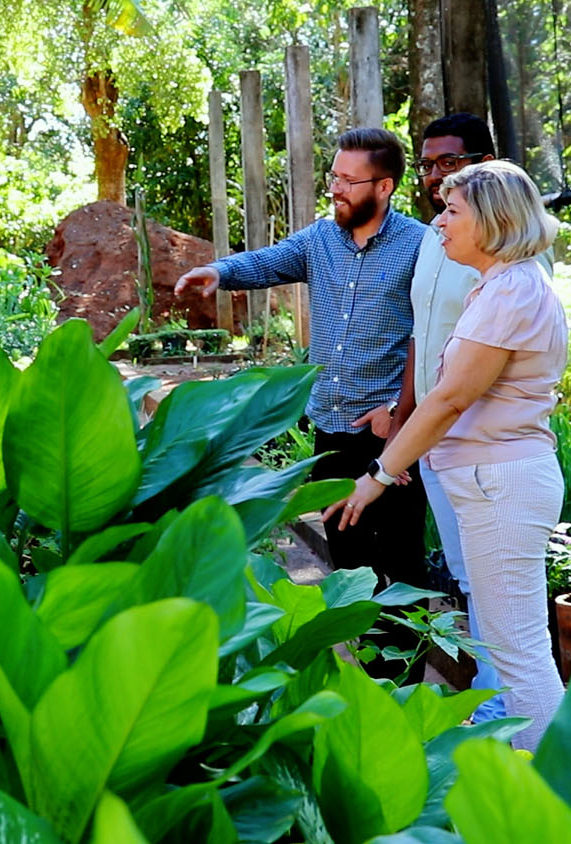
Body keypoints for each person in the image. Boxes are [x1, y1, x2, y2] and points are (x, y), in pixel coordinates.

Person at [322, 160, 568, 751]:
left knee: (519, 653)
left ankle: (555, 791)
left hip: (501, 482)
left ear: (491, 220)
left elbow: (449, 398)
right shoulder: (502, 284)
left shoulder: (511, 290)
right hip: (496, 478)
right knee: (513, 647)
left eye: (452, 212)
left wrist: (379, 474)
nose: (439, 225)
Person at [175, 128, 428, 674]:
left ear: (383, 187)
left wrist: (398, 414)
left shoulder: (421, 246)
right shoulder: (320, 240)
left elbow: (430, 337)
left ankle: (406, 685)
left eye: (347, 179)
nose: (335, 187)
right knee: (346, 560)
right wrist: (218, 272)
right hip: (332, 428)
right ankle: (371, 680)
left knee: (400, 565)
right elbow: (267, 262)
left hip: (389, 434)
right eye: (333, 176)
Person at [395, 113, 551, 721]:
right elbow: (425, 335)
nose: (436, 184)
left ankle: (512, 722)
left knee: (515, 633)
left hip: (489, 453)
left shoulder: (515, 272)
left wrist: (383, 469)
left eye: (449, 167)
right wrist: (405, 416)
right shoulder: (441, 239)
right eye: (428, 165)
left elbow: (468, 384)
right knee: (471, 583)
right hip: (446, 445)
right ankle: (500, 709)